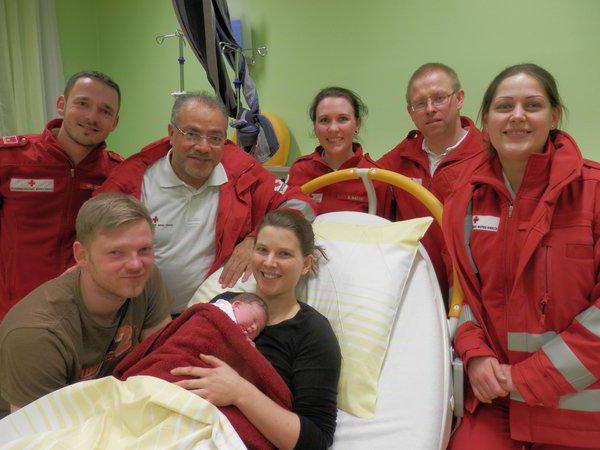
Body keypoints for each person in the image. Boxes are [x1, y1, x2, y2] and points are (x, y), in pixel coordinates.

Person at [444, 63, 600, 449]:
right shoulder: (465, 201)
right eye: (504, 107)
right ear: (485, 120)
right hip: (497, 401)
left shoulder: (594, 192)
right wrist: (475, 354)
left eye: (532, 105)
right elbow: (466, 297)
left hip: (578, 408)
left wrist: (526, 378)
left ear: (554, 116)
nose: (517, 116)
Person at [96, 92, 315, 314]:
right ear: (171, 133)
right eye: (191, 134)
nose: (203, 147)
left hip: (208, 315)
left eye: (215, 138)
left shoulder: (241, 173)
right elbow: (96, 247)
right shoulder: (133, 183)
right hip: (135, 316)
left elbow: (300, 204)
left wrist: (254, 240)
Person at [169, 210, 342, 450]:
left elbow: (316, 440)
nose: (269, 262)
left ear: (306, 264)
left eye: (284, 254)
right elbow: (179, 349)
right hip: (177, 414)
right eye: (262, 250)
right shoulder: (224, 303)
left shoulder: (312, 333)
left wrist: (239, 392)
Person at [0, 193, 172, 414]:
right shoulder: (37, 333)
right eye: (116, 253)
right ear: (82, 255)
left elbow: (164, 359)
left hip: (105, 404)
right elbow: (34, 429)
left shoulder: (144, 280)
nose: (136, 264)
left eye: (144, 249)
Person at [0, 71, 124, 319]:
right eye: (83, 104)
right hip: (13, 310)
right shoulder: (10, 159)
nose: (92, 117)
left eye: (105, 111)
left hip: (81, 312)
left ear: (114, 122)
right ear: (61, 105)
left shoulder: (118, 174)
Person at [377, 63, 484, 301]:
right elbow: (358, 182)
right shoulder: (401, 157)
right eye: (420, 103)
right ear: (410, 112)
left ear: (459, 99)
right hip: (418, 289)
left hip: (475, 293)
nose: (430, 109)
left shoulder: (490, 155)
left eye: (439, 98)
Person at [287, 86, 391, 217]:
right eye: (324, 120)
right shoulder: (300, 170)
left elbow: (385, 228)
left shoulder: (375, 177)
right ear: (315, 127)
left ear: (357, 124)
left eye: (343, 119)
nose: (333, 128)